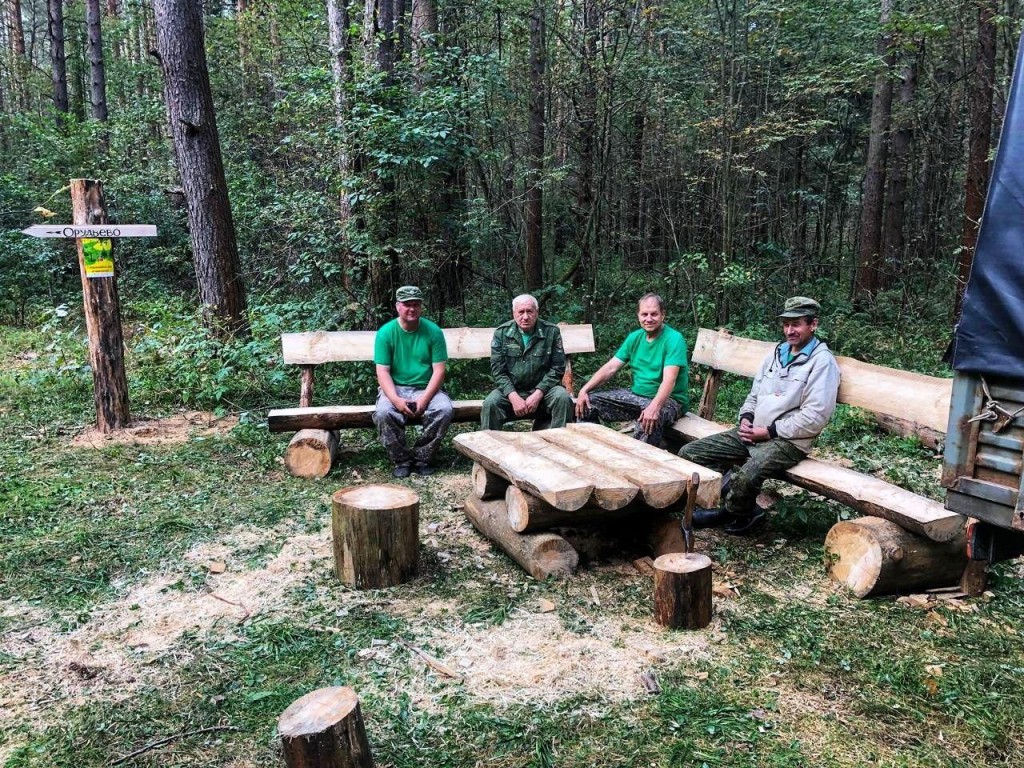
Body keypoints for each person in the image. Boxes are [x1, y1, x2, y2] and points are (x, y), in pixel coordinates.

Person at [680, 296, 841, 535]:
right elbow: (755, 393)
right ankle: (746, 506)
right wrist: (746, 416)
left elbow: (815, 417)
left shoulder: (822, 363)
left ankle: (734, 513)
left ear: (813, 324)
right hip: (754, 431)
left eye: (796, 324)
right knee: (690, 453)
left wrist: (768, 431)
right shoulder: (776, 354)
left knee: (748, 474)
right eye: (786, 324)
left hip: (787, 441)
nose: (790, 330)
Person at [574, 293, 689, 445]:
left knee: (649, 421)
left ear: (663, 315)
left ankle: (640, 463)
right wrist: (584, 390)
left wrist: (654, 407)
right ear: (638, 316)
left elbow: (670, 380)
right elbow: (611, 368)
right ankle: (594, 449)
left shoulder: (674, 339)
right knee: (588, 403)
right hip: (636, 395)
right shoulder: (634, 337)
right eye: (644, 314)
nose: (649, 319)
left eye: (654, 314)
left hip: (669, 400)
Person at [373, 285, 454, 478]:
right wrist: (396, 400)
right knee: (384, 412)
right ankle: (401, 460)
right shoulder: (386, 333)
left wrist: (424, 400)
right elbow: (382, 372)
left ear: (421, 307)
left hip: (426, 388)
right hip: (396, 387)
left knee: (444, 409)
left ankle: (422, 458)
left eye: (416, 305)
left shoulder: (433, 331)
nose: (412, 309)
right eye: (407, 304)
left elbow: (439, 371)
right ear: (398, 307)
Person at [481, 294, 574, 431]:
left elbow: (557, 368)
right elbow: (498, 371)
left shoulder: (551, 332)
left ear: (537, 312)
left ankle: (560, 443)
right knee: (490, 403)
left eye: (529, 311)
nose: (525, 317)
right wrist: (513, 397)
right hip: (512, 391)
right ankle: (489, 448)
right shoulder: (502, 333)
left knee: (562, 397)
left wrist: (538, 393)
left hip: (545, 392)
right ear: (514, 313)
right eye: (521, 312)